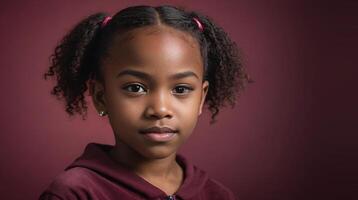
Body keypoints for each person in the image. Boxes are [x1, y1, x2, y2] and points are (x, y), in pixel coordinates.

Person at [39, 4, 249, 200]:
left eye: (180, 89)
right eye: (135, 88)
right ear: (100, 97)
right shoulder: (75, 193)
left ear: (201, 98)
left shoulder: (217, 195)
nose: (160, 109)